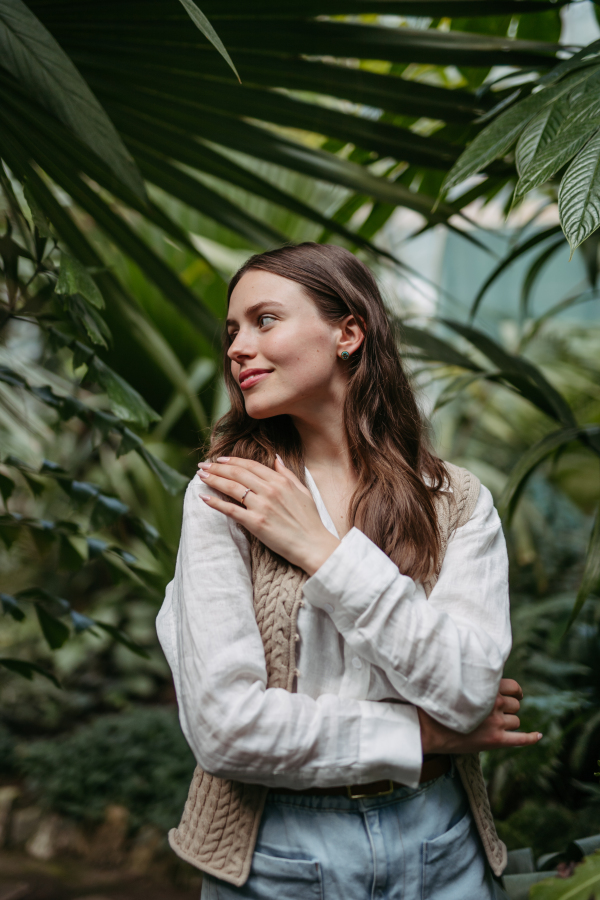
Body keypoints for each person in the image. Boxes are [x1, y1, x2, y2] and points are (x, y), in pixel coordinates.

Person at [157, 243, 541, 900]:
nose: (237, 347)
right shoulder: (226, 495)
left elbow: (471, 688)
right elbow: (226, 728)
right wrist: (417, 733)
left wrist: (324, 552)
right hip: (278, 851)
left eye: (264, 320)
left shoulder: (456, 502)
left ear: (349, 332)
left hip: (442, 842)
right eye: (232, 331)